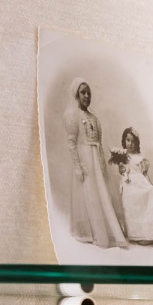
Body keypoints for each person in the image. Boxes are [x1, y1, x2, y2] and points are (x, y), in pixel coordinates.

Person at [63, 78, 127, 249]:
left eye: (88, 93)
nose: (86, 96)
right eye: (83, 92)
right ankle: (93, 233)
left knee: (102, 193)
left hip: (96, 161)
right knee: (89, 194)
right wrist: (78, 165)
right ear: (76, 95)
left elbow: (98, 142)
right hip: (85, 161)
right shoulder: (73, 116)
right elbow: (71, 142)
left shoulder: (95, 119)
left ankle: (106, 231)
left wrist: (101, 163)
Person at [115, 128, 153, 244]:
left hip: (139, 182)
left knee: (146, 198)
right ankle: (135, 233)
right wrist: (121, 169)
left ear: (137, 143)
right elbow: (121, 172)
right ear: (124, 141)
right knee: (130, 203)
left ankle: (147, 233)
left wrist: (150, 184)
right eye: (128, 140)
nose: (130, 144)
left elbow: (144, 174)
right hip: (128, 183)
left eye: (133, 141)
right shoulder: (122, 155)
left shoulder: (139, 157)